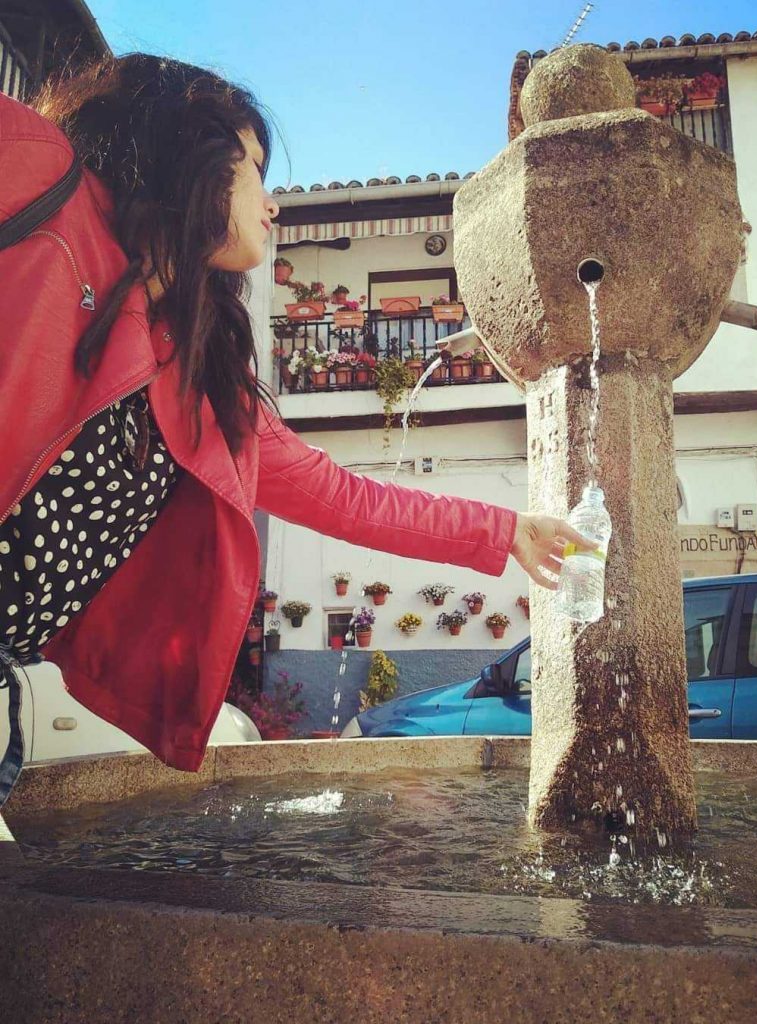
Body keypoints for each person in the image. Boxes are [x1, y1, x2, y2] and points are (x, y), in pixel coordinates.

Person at [0, 54, 592, 806]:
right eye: (253, 165)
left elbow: (343, 497)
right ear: (190, 151)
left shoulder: (197, 379)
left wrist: (504, 530)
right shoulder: (36, 184)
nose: (271, 203)